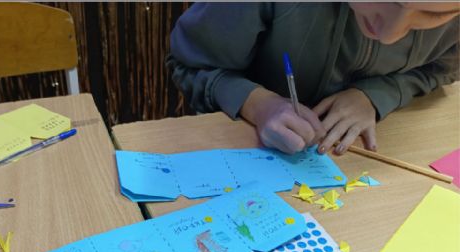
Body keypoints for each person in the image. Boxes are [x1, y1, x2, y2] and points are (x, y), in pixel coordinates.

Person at [167, 2, 459, 155]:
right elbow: (189, 64)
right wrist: (256, 104)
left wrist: (379, 93)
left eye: (433, 14)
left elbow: (445, 68)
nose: (389, 34)